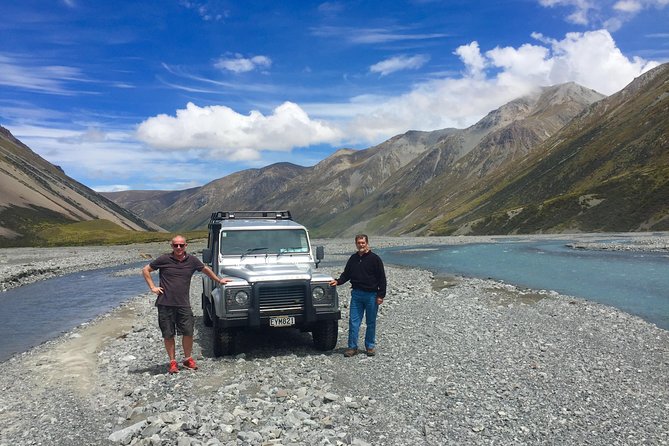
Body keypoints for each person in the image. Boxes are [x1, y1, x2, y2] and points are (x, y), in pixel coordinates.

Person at [142, 235, 230, 374]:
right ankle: (172, 362)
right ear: (171, 246)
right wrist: (152, 287)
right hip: (165, 304)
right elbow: (146, 270)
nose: (178, 248)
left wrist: (218, 280)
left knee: (188, 332)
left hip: (183, 304)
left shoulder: (192, 260)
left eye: (181, 245)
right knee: (168, 334)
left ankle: (187, 359)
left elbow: (205, 269)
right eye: (176, 245)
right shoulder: (164, 259)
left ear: (186, 246)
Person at [330, 234, 387, 357]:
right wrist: (338, 281)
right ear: (356, 244)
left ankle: (370, 346)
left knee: (371, 322)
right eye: (359, 243)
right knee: (353, 322)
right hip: (356, 295)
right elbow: (346, 274)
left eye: (363, 243)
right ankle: (352, 347)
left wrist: (381, 295)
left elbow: (382, 278)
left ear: (367, 243)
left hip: (372, 295)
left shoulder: (375, 259)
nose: (361, 245)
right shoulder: (353, 258)